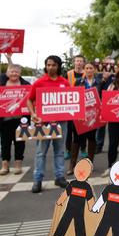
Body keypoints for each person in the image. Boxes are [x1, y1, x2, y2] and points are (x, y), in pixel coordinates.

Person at [27, 55, 70, 193]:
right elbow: (29, 100)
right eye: (48, 65)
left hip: (61, 122)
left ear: (58, 66)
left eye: (53, 65)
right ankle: (37, 179)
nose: (50, 67)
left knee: (60, 151)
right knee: (41, 152)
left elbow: (71, 101)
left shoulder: (65, 82)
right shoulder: (39, 82)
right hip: (43, 123)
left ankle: (59, 177)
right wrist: (33, 114)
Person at [68, 61, 101, 174]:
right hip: (80, 115)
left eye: (91, 68)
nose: (88, 70)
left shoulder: (99, 83)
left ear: (95, 70)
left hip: (93, 115)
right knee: (76, 139)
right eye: (86, 68)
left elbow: (103, 97)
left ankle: (89, 164)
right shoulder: (78, 82)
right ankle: (72, 165)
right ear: (84, 70)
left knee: (91, 139)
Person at [0, 64, 30, 175]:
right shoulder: (1, 84)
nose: (14, 73)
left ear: (20, 73)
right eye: (12, 71)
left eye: (16, 71)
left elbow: (31, 99)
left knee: (20, 143)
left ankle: (18, 165)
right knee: (5, 143)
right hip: (5, 120)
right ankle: (5, 166)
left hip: (21, 120)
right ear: (7, 73)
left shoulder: (26, 84)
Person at [65, 55, 86, 160]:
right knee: (69, 129)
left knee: (82, 128)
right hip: (71, 104)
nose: (78, 63)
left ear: (83, 63)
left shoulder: (86, 73)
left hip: (83, 104)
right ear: (74, 62)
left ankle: (83, 149)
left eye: (80, 61)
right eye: (77, 61)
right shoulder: (68, 74)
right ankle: (68, 150)